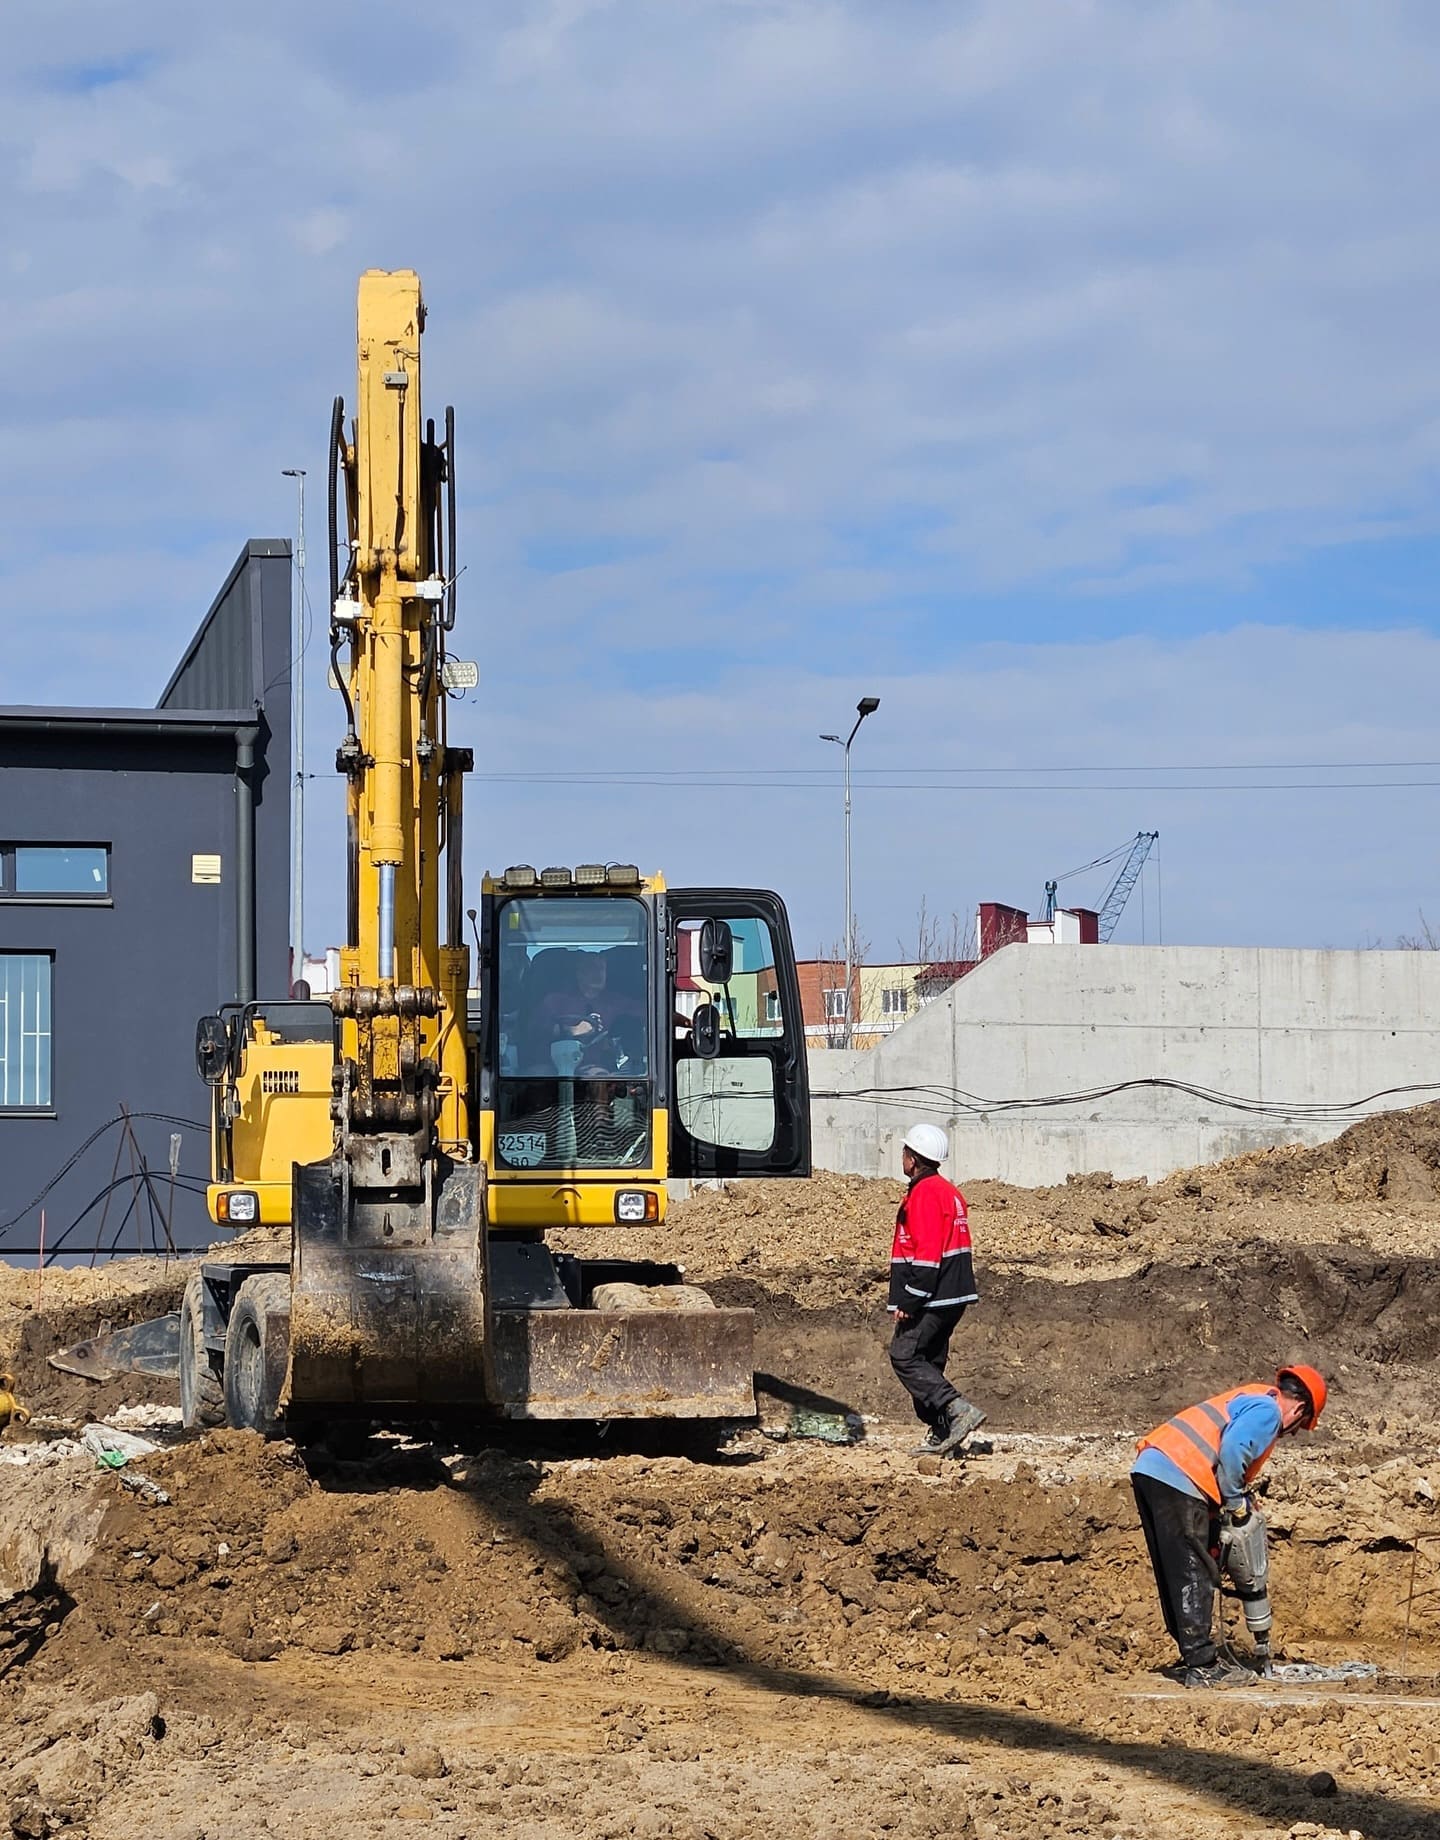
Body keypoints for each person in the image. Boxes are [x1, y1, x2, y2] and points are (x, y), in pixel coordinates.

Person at [1131, 1364, 1327, 1687]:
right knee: (1196, 1569)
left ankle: (1192, 1654)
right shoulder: (1270, 1411)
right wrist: (1236, 1502)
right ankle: (1204, 1665)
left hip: (1152, 1468)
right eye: (1298, 1427)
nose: (1289, 1432)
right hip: (1182, 1473)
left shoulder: (1253, 1395)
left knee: (1175, 1569)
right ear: (1300, 1408)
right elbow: (1234, 1450)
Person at [888, 1122, 985, 1456]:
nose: (902, 1157)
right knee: (929, 1361)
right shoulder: (948, 1191)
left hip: (933, 1294)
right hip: (952, 1294)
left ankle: (957, 1411)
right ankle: (943, 1432)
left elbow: (927, 1254)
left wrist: (910, 1299)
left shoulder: (926, 1194)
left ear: (914, 1159)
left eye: (904, 1152)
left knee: (905, 1355)